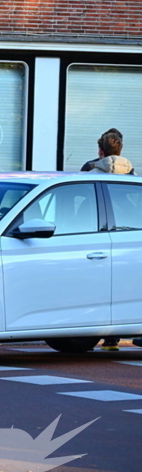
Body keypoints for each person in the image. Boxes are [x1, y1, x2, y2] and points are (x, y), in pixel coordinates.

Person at [81, 128, 134, 350]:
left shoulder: (88, 170)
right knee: (126, 288)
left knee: (93, 287)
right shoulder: (131, 175)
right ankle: (115, 336)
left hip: (97, 235)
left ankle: (96, 333)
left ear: (100, 150)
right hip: (127, 238)